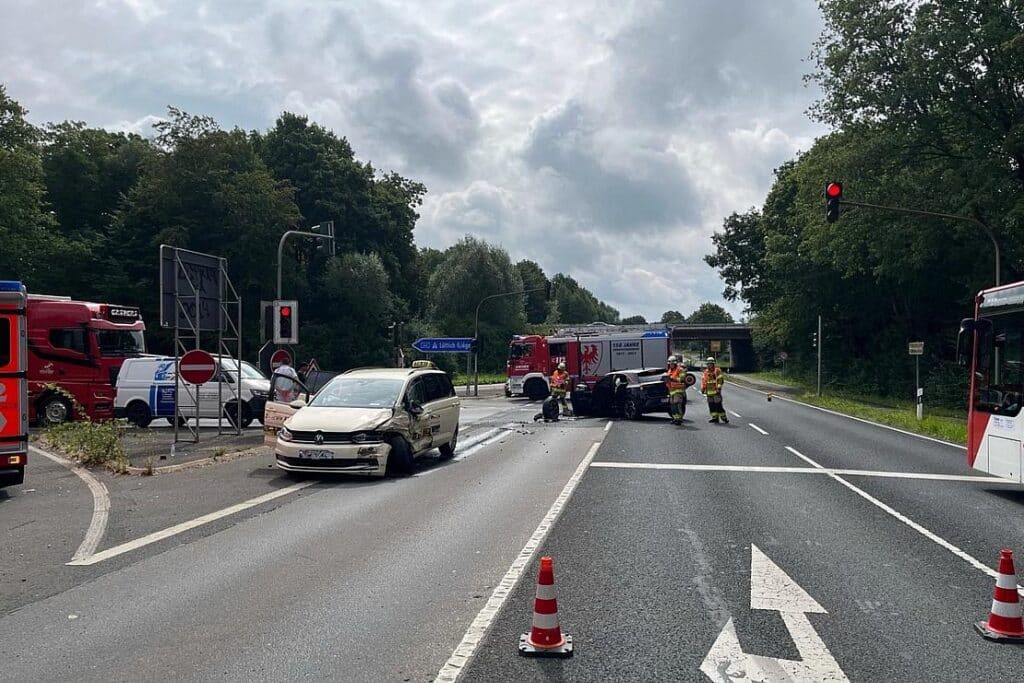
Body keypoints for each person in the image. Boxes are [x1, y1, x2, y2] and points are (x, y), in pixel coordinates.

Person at [701, 357, 729, 423]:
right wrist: (703, 388)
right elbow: (704, 381)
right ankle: (715, 417)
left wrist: (719, 388)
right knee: (711, 406)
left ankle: (724, 418)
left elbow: (720, 380)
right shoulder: (706, 372)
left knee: (718, 406)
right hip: (709, 392)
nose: (709, 365)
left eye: (710, 364)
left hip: (716, 392)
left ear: (713, 364)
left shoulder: (717, 371)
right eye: (708, 364)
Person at [664, 356, 688, 425]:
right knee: (673, 406)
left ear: (675, 363)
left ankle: (679, 419)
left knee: (677, 404)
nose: (670, 365)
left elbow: (682, 379)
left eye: (672, 364)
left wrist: (672, 378)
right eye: (669, 364)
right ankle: (675, 418)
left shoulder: (680, 370)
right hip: (671, 391)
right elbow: (668, 381)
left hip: (678, 390)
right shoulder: (669, 371)